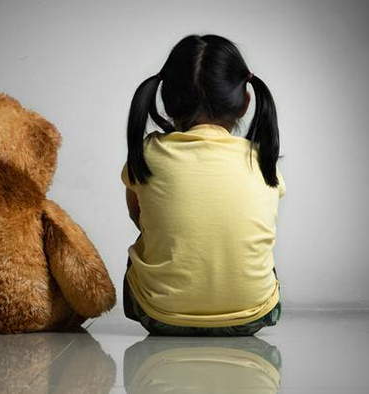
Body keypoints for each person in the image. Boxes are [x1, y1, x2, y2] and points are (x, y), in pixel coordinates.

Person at [121, 34, 286, 336]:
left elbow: (140, 219)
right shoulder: (262, 159)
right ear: (245, 101)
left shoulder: (147, 154)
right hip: (252, 316)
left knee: (145, 244)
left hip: (162, 316)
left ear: (167, 100)